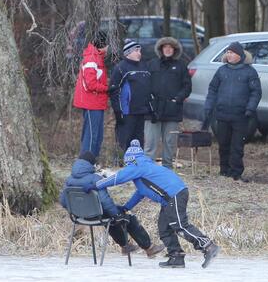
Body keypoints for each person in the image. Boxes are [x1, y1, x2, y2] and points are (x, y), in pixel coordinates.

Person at [89, 140, 220, 269]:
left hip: (175, 195)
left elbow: (118, 178)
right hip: (170, 198)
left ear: (130, 159)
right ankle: (176, 257)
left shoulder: (137, 165)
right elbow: (140, 193)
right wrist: (126, 207)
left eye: (126, 163)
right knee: (164, 228)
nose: (126, 166)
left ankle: (208, 246)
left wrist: (96, 184)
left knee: (180, 225)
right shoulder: (144, 169)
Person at [59, 150, 165, 258]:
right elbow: (105, 201)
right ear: (91, 164)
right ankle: (149, 248)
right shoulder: (95, 179)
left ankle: (125, 246)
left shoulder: (69, 180)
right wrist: (116, 214)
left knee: (112, 217)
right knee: (126, 218)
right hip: (97, 214)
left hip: (78, 216)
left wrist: (78, 210)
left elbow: (63, 201)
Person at [203, 42, 261, 181]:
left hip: (241, 116)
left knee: (237, 146)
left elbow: (256, 92)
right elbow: (212, 90)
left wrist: (250, 108)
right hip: (222, 114)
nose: (229, 55)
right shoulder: (222, 71)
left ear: (239, 55)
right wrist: (208, 106)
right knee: (223, 144)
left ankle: (236, 173)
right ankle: (224, 171)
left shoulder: (250, 71)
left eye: (232, 52)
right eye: (227, 52)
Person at [148, 37, 191, 169]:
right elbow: (144, 83)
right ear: (161, 49)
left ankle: (167, 167)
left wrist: (177, 99)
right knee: (150, 142)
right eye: (165, 47)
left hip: (172, 109)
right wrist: (149, 99)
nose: (167, 49)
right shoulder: (152, 64)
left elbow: (187, 87)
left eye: (170, 47)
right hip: (153, 109)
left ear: (174, 50)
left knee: (170, 141)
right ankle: (148, 169)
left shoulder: (181, 65)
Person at [109, 41, 153, 152]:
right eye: (136, 50)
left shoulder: (144, 66)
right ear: (128, 53)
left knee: (138, 142)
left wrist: (151, 108)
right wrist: (118, 111)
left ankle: (137, 164)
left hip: (141, 111)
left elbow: (148, 88)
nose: (139, 53)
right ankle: (122, 163)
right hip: (127, 112)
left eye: (140, 50)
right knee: (125, 141)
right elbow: (114, 91)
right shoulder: (120, 68)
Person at [73, 31, 110, 157]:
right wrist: (107, 88)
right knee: (91, 136)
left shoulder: (97, 57)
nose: (108, 48)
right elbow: (91, 84)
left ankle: (92, 164)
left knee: (97, 136)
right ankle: (84, 165)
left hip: (97, 103)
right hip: (91, 103)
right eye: (107, 45)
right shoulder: (91, 59)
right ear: (103, 44)